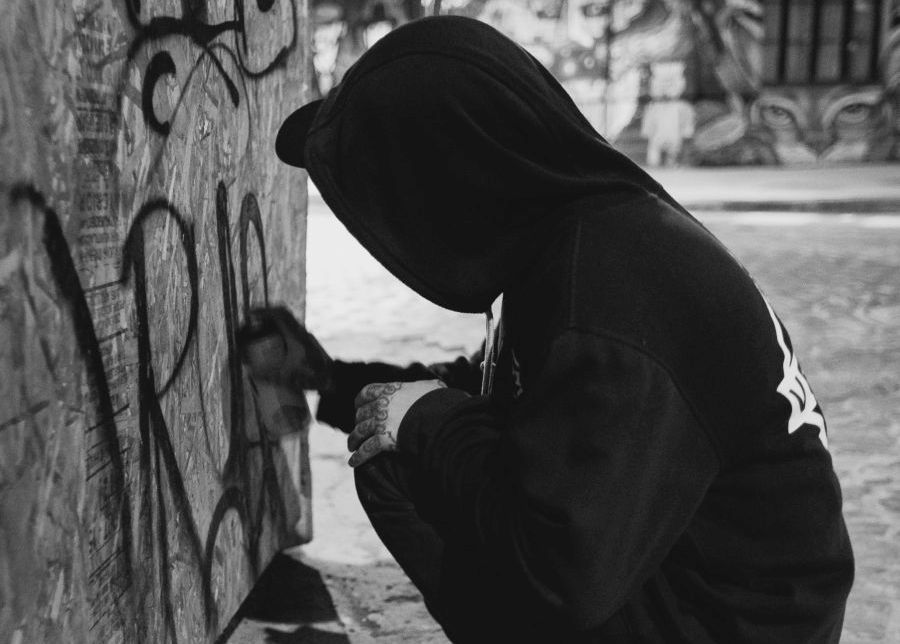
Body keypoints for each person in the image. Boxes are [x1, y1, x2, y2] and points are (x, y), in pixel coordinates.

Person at [274, 16, 854, 643]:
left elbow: (565, 575)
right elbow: (507, 398)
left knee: (400, 467)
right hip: (688, 574)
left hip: (731, 624)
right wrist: (329, 379)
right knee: (408, 437)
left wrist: (426, 424)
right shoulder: (579, 236)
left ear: (453, 176)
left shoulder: (611, 289)